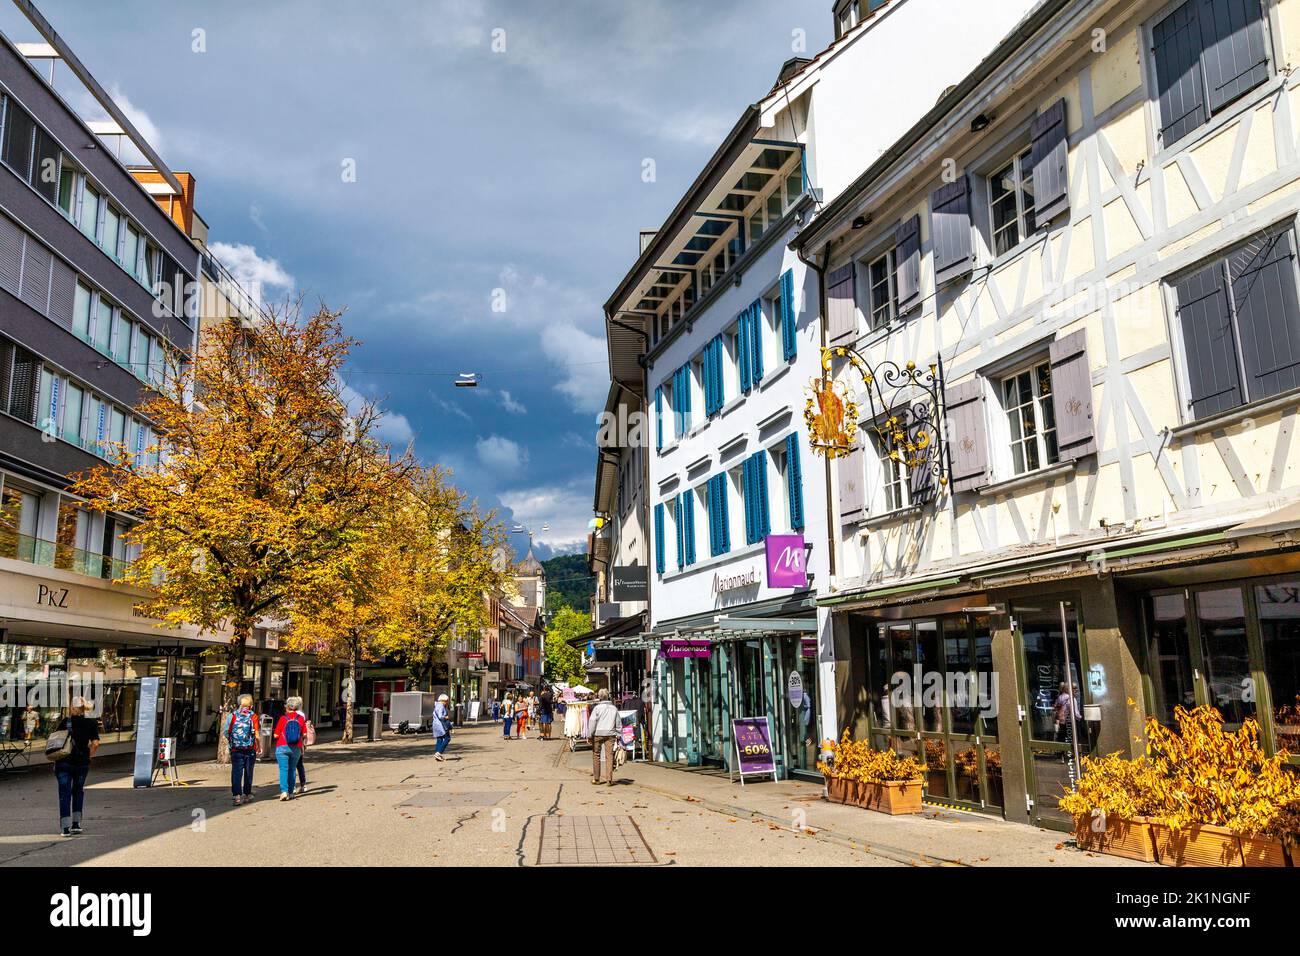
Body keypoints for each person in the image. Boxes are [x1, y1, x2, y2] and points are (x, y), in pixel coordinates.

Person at [52, 696, 99, 836]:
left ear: (72, 708)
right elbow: (96, 743)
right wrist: (88, 756)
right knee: (78, 791)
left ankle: (65, 828)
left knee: (64, 794)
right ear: (83, 709)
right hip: (82, 764)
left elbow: (55, 741)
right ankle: (76, 824)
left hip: (64, 763)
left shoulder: (65, 722)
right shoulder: (90, 723)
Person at [224, 694, 261, 806]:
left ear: (240, 704)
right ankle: (247, 794)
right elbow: (257, 734)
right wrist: (258, 746)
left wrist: (233, 741)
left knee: (236, 772)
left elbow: (226, 731)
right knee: (249, 771)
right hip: (250, 749)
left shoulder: (233, 715)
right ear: (250, 705)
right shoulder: (253, 716)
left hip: (235, 748)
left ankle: (237, 796)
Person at [273, 696, 308, 801]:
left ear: (287, 707)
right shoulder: (301, 718)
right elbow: (305, 734)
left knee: (283, 769)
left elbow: (275, 735)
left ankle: (284, 791)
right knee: (292, 769)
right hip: (296, 748)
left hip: (282, 747)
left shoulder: (283, 719)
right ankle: (292, 792)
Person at [585, 689, 620, 786]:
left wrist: (589, 735)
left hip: (598, 734)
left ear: (599, 697)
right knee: (609, 756)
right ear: (608, 696)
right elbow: (618, 723)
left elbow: (592, 722)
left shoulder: (597, 708)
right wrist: (619, 734)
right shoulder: (614, 708)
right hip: (610, 734)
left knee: (596, 755)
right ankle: (609, 779)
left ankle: (596, 779)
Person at [431, 693, 452, 761]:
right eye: (447, 701)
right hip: (441, 725)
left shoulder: (437, 705)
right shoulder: (441, 706)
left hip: (436, 725)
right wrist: (446, 717)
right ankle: (439, 753)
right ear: (444, 700)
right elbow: (440, 716)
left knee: (439, 739)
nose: (447, 702)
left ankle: (437, 755)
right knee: (447, 738)